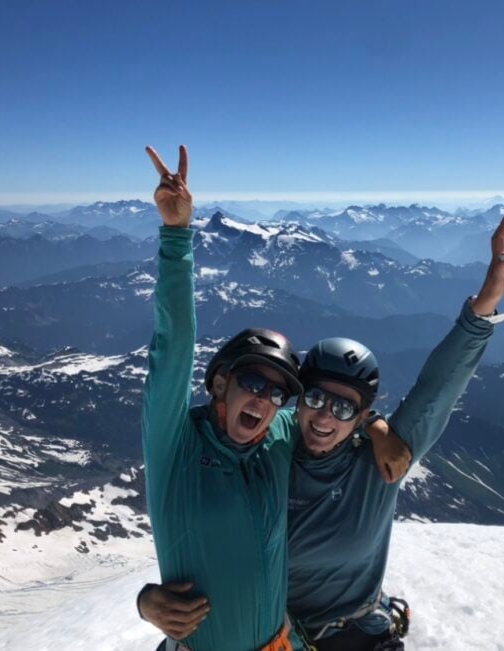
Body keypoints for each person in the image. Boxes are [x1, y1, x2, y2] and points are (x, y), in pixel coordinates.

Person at [140, 148, 504, 648]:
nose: (323, 416)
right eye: (314, 398)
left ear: (359, 417)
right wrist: (176, 237)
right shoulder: (251, 445)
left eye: (345, 409)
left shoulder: (364, 459)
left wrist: (481, 313)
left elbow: (436, 393)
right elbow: (171, 356)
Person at [140, 145, 404, 651]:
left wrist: (375, 425)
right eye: (253, 383)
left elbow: (328, 412)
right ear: (220, 385)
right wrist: (177, 236)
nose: (264, 400)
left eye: (277, 392)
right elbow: (171, 351)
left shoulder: (276, 438)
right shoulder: (175, 449)